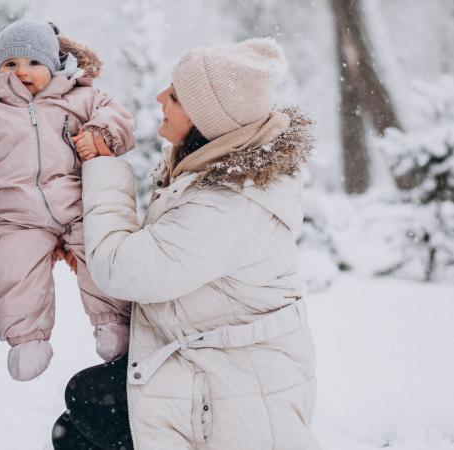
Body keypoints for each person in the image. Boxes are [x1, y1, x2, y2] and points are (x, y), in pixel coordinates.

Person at [53, 38, 319, 449]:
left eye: (174, 96)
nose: (160, 97)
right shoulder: (214, 180)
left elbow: (120, 269)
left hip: (237, 398)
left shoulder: (225, 205)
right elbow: (160, 257)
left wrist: (102, 167)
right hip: (227, 370)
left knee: (84, 406)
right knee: (81, 413)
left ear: (204, 120)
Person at [0, 20, 134, 382]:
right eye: (11, 64)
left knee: (102, 255)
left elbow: (120, 120)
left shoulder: (82, 97)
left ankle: (113, 323)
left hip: (78, 206)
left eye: (33, 63)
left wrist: (100, 134)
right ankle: (27, 338)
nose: (22, 72)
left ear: (54, 64)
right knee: (11, 269)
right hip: (17, 214)